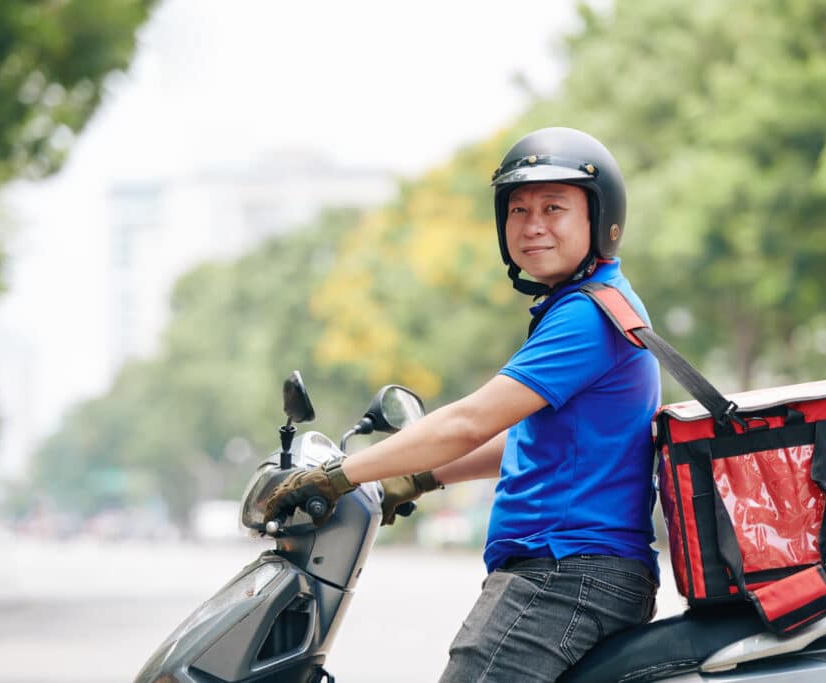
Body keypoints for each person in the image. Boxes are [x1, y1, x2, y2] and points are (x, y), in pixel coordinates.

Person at [264, 127, 661, 681]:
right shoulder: (583, 305)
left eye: (554, 207)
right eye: (518, 209)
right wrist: (419, 477)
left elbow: (470, 421)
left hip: (565, 575)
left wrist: (339, 475)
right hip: (574, 572)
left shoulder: (586, 317)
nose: (533, 225)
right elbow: (526, 442)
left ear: (600, 220)